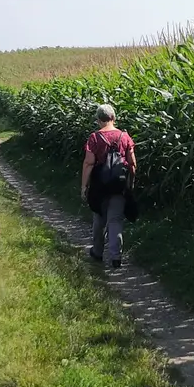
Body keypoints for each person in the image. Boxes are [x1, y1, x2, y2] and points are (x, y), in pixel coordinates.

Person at [79, 103, 137, 268]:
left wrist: (84, 187)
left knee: (99, 219)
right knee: (116, 220)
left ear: (98, 120)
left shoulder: (94, 138)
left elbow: (89, 163)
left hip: (99, 186)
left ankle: (97, 252)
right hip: (119, 185)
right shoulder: (124, 137)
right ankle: (115, 257)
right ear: (114, 118)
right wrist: (130, 183)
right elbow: (132, 164)